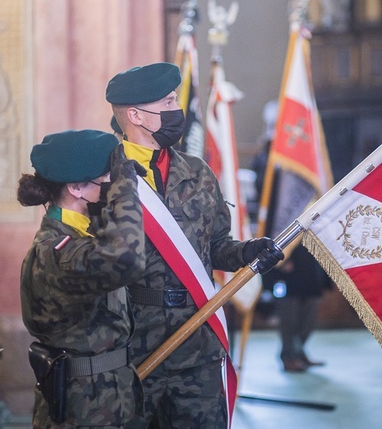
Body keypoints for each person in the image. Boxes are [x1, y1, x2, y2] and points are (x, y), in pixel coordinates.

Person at [105, 62, 284, 427]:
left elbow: (216, 246)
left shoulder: (197, 172)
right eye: (168, 103)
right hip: (135, 345)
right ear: (136, 115)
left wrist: (247, 253)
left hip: (197, 344)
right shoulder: (106, 180)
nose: (177, 111)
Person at [18, 129, 147, 427]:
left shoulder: (84, 235)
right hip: (84, 408)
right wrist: (125, 190)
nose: (111, 187)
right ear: (77, 187)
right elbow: (127, 258)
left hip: (111, 397)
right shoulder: (55, 251)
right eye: (107, 180)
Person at [250, 100, 331, 373]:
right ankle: (288, 353)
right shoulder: (267, 159)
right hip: (282, 239)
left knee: (312, 297)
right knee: (289, 300)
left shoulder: (307, 157)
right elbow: (267, 205)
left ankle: (300, 348)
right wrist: (279, 251)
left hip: (309, 241)